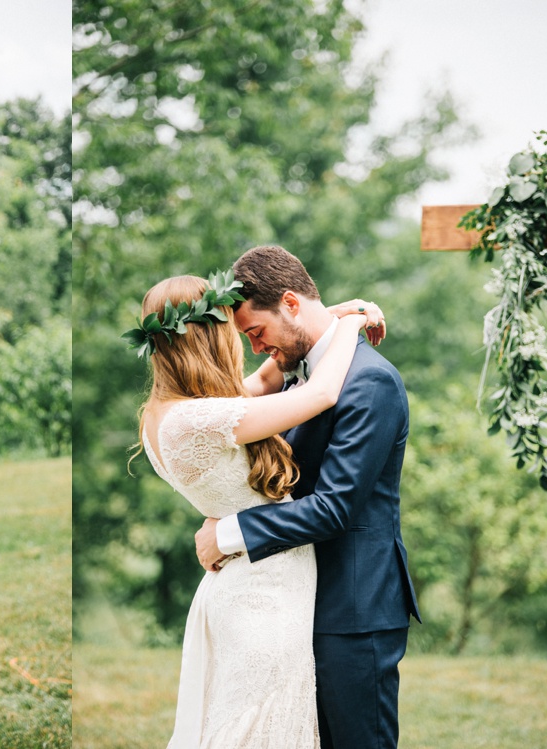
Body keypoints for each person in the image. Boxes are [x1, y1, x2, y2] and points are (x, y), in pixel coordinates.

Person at [130, 271, 376, 748]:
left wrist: (330, 316)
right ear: (206, 338)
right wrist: (355, 322)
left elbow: (269, 377)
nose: (241, 340)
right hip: (264, 600)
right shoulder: (200, 419)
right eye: (230, 328)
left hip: (248, 587)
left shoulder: (171, 414)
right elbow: (320, 394)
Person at [194, 244, 422, 749]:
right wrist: (345, 315)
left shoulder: (371, 383)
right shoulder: (298, 373)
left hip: (354, 613)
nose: (255, 347)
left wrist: (226, 536)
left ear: (291, 304)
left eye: (257, 332)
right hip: (297, 606)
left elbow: (335, 506)